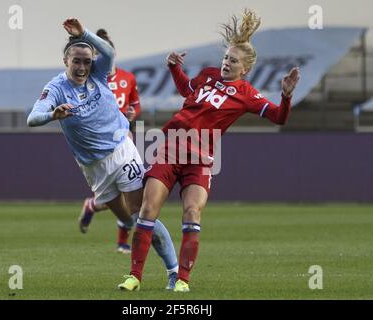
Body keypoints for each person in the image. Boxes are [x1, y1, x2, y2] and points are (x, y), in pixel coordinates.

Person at [118, 9, 300, 292]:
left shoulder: (247, 94)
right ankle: (134, 277)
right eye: (226, 58)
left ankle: (182, 281)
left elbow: (279, 118)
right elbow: (185, 90)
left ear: (245, 69)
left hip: (201, 158)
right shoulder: (208, 75)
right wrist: (174, 68)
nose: (227, 63)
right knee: (148, 207)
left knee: (192, 212)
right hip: (169, 147)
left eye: (233, 61)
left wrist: (286, 97)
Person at [27, 18, 178, 290]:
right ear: (65, 61)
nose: (83, 66)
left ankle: (174, 272)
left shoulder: (99, 73)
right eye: (77, 61)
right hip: (93, 168)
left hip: (121, 149)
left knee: (142, 212)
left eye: (87, 61)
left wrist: (84, 33)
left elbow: (108, 52)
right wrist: (52, 114)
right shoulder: (56, 88)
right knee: (127, 219)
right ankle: (117, 223)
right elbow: (32, 118)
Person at [78, 29, 142, 256]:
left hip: (123, 136)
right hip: (99, 144)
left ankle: (121, 240)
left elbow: (135, 103)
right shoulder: (90, 81)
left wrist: (134, 113)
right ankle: (95, 206)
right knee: (120, 194)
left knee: (131, 190)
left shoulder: (128, 78)